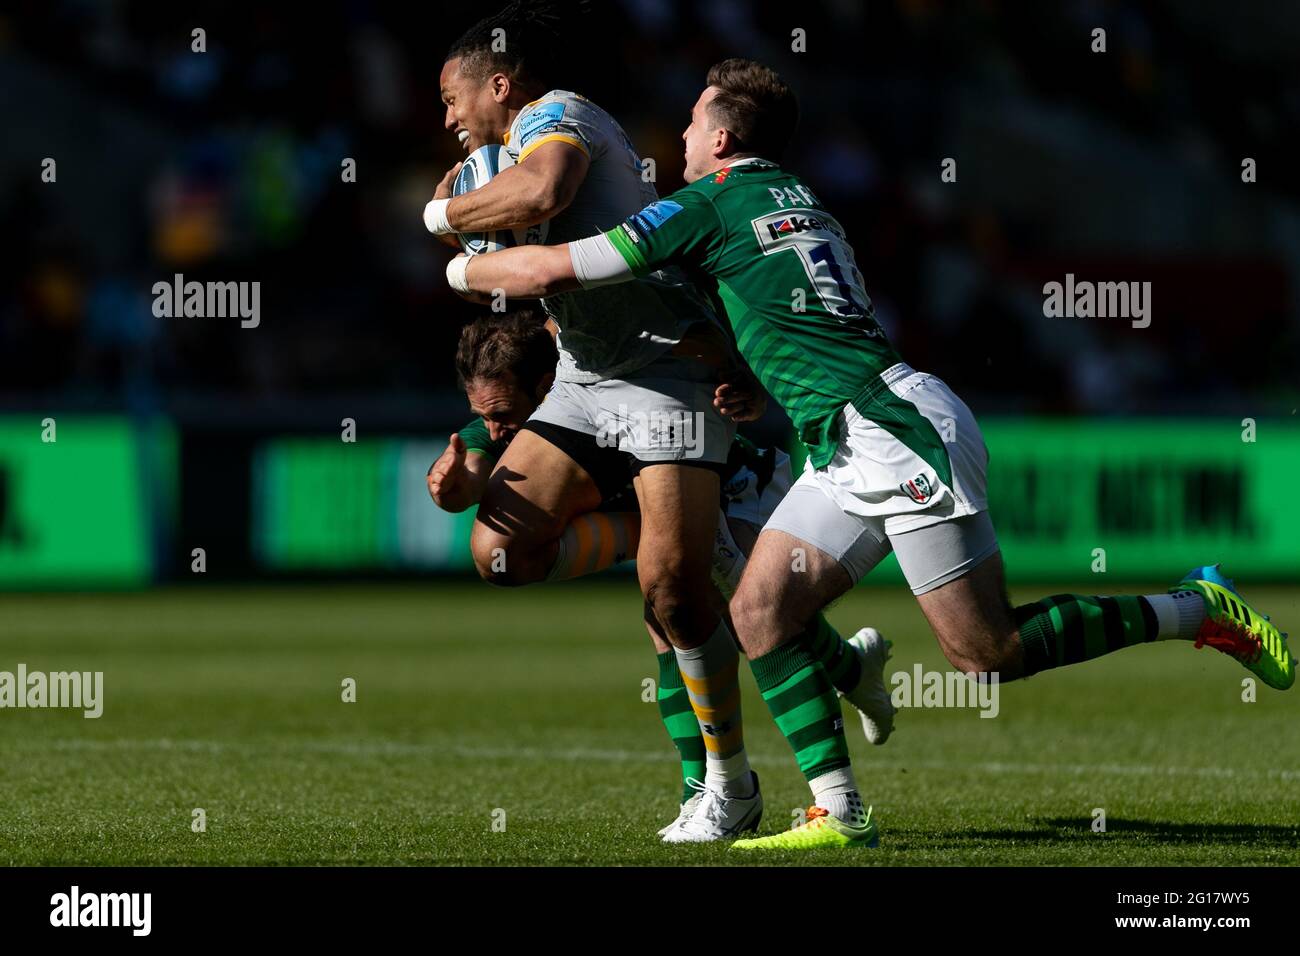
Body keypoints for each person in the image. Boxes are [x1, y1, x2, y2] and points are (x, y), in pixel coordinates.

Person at [447, 58, 1295, 850]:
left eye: (694, 126)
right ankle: (838, 810)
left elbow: (561, 266)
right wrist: (751, 376)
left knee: (985, 654)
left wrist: (456, 250)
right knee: (756, 613)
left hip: (895, 430)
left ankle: (1196, 608)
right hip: (844, 434)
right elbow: (791, 314)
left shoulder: (706, 204)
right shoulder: (798, 196)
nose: (680, 140)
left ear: (724, 141)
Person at [427, 310, 896, 840]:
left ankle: (848, 696)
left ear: (544, 384)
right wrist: (452, 486)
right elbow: (470, 467)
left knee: (753, 615)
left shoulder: (613, 364)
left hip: (731, 486)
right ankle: (704, 789)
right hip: (655, 511)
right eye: (483, 415)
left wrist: (741, 383)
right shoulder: (522, 412)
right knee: (669, 611)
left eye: (503, 414)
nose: (494, 428)